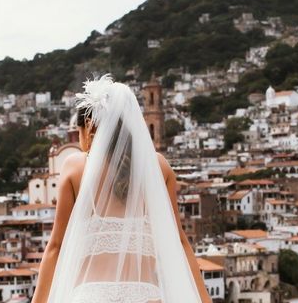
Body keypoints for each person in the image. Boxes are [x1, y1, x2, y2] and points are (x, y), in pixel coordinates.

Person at [32, 74, 212, 303]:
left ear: (89, 126)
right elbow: (179, 243)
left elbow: (55, 247)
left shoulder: (75, 166)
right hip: (146, 297)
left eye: (79, 134)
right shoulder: (159, 168)